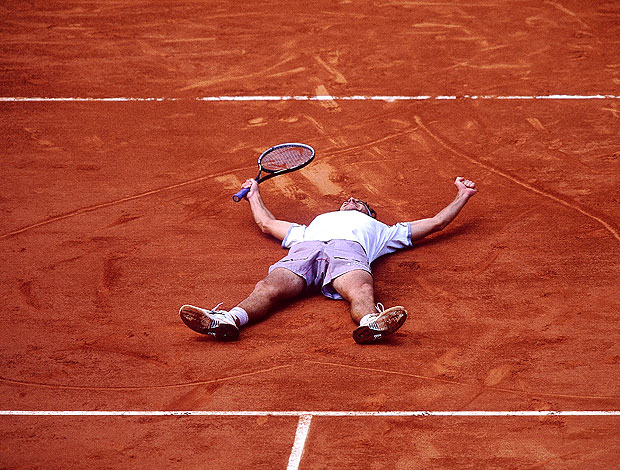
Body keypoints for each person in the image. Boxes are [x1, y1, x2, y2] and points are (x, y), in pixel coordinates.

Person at [180, 176, 477, 344]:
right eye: (347, 200)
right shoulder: (310, 226)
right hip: (306, 249)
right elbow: (267, 224)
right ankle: (227, 320)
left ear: (369, 214)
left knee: (360, 290)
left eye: (359, 202)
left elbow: (437, 222)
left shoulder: (385, 231)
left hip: (349, 251)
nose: (351, 199)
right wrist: (254, 195)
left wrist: (462, 194)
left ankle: (372, 323)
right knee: (267, 287)